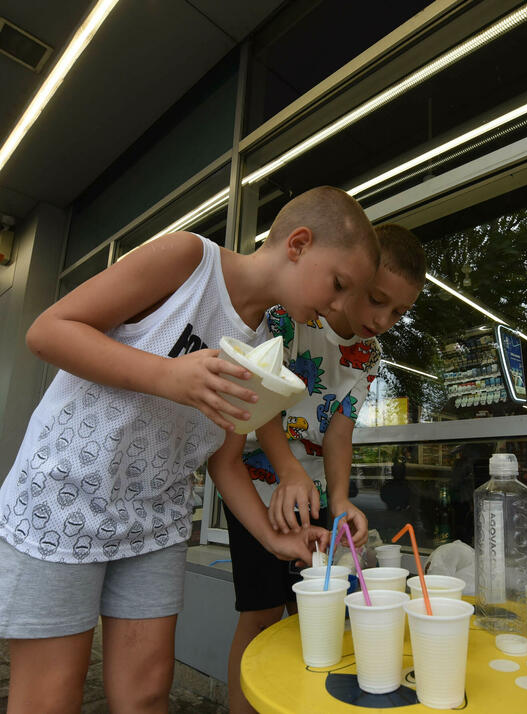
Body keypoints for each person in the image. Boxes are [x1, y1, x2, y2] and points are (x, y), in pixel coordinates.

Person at [0, 186, 379, 714]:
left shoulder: (264, 347)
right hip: (67, 494)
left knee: (145, 694)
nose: (340, 307)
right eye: (339, 284)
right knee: (50, 697)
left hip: (156, 515)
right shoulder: (190, 259)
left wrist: (273, 539)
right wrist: (168, 375)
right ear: (298, 244)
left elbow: (225, 459)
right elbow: (48, 331)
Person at [216, 224, 426, 714]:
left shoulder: (369, 353)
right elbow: (261, 403)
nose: (384, 319)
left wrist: (340, 498)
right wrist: (287, 468)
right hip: (258, 481)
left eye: (399, 312)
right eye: (377, 300)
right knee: (262, 611)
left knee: (312, 610)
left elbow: (339, 432)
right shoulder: (290, 316)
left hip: (310, 488)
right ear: (353, 276)